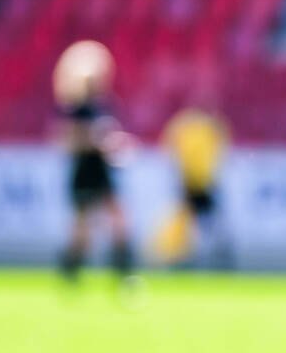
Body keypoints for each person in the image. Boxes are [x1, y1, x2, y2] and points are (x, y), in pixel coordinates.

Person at [52, 39, 137, 288]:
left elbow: (108, 135)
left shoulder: (105, 105)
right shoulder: (75, 108)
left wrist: (115, 144)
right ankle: (70, 271)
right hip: (84, 169)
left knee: (119, 220)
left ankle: (123, 274)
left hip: (102, 169)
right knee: (82, 229)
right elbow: (67, 140)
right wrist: (97, 140)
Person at [154, 101, 233, 270]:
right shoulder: (193, 126)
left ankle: (204, 256)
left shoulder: (198, 126)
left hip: (201, 182)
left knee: (203, 221)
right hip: (193, 182)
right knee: (197, 222)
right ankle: (185, 256)